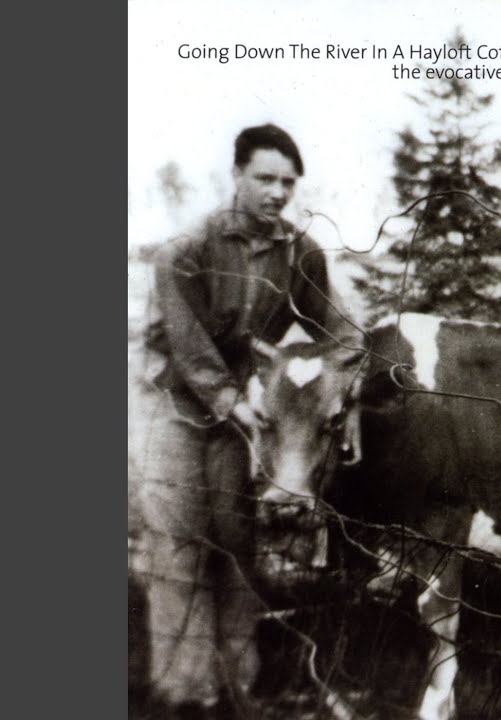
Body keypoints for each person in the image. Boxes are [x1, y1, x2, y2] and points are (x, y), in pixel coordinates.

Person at [130, 123, 358, 719]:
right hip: (170, 406)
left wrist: (342, 394)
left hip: (239, 412)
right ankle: (187, 695)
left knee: (235, 544)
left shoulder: (300, 252)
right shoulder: (187, 248)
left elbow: (345, 335)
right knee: (181, 544)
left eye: (288, 182)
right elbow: (189, 352)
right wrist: (238, 405)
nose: (278, 192)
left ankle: (239, 688)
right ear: (236, 175)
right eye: (265, 178)